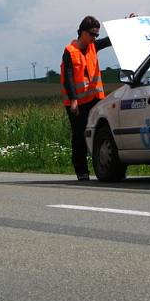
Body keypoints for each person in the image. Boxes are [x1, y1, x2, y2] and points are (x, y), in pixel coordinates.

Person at [60, 15, 111, 181]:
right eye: (92, 34)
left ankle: (105, 167)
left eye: (96, 35)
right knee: (79, 136)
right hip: (77, 103)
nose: (94, 38)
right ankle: (81, 171)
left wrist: (128, 22)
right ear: (82, 32)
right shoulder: (70, 51)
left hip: (95, 98)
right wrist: (74, 99)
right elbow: (68, 77)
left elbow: (111, 40)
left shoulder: (93, 47)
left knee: (101, 132)